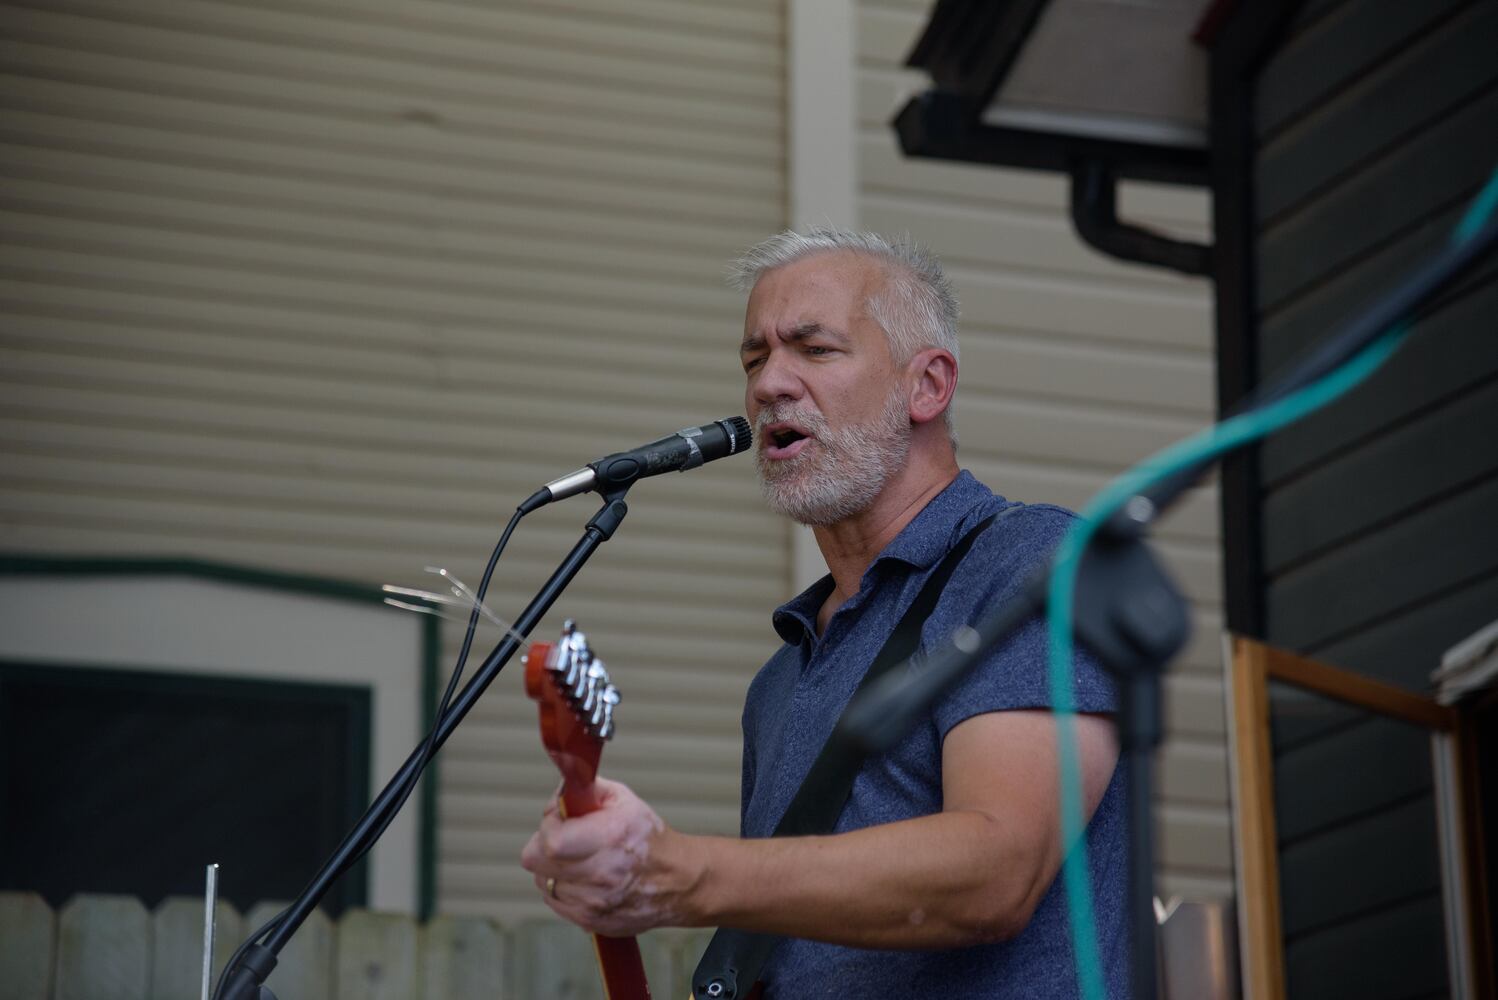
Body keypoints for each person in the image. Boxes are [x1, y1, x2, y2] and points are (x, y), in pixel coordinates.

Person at [521, 228, 1129, 998]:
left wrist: (684, 874)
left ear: (928, 386)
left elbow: (998, 869)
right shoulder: (780, 681)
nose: (770, 383)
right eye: (754, 358)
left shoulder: (1030, 563)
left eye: (814, 350)